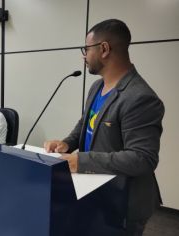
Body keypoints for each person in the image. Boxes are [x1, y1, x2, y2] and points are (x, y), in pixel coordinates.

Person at [44, 19, 164, 235]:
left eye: (86, 49)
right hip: (96, 191)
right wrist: (67, 143)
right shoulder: (97, 86)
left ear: (104, 49)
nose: (83, 55)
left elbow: (143, 158)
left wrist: (81, 160)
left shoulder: (140, 97)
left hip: (124, 202)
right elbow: (86, 123)